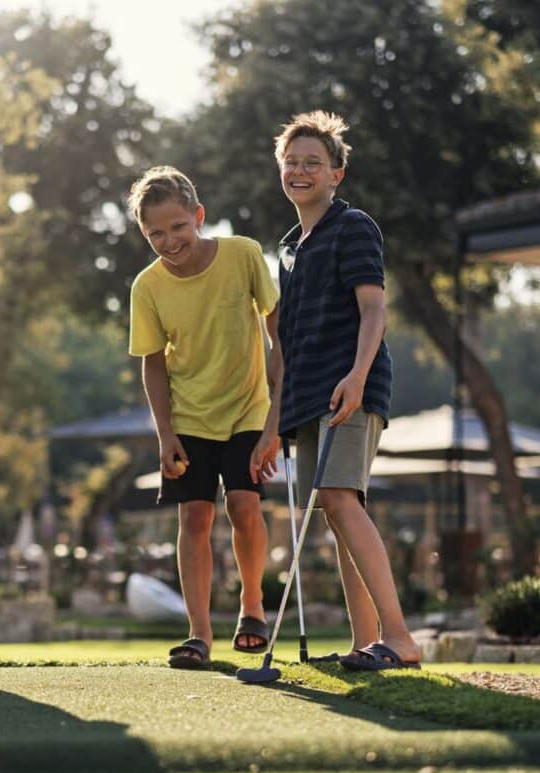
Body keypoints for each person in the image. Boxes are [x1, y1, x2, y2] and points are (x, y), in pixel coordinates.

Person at [251, 111, 421, 669]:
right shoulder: (289, 248)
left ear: (336, 175)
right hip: (305, 398)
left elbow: (374, 311)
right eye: (291, 162)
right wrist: (275, 421)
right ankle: (364, 642)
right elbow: (287, 348)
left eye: (312, 163)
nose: (300, 170)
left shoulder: (354, 227)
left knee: (341, 500)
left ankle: (399, 640)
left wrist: (356, 375)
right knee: (336, 506)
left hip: (351, 387)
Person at [127, 166, 280, 669]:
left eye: (177, 227)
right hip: (188, 413)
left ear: (198, 215)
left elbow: (279, 335)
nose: (169, 241)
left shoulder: (244, 254)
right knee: (193, 517)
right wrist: (165, 432)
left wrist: (278, 419)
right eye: (155, 234)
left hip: (248, 407)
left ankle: (252, 606)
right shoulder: (146, 287)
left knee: (243, 506)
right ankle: (198, 634)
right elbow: (152, 363)